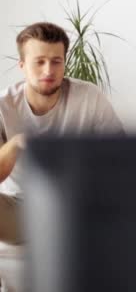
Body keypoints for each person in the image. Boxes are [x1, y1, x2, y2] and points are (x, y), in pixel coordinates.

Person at [0, 22, 124, 244]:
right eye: (39, 62)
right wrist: (17, 144)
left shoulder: (89, 96)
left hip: (79, 206)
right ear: (22, 65)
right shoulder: (3, 105)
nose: (48, 70)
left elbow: (122, 157)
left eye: (56, 62)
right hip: (19, 209)